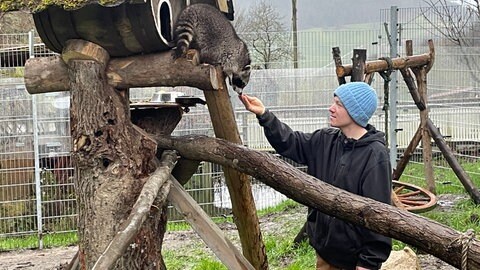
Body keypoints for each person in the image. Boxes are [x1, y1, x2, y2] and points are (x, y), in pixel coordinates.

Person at [239, 82, 392, 270]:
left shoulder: (375, 155)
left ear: (355, 112)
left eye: (339, 104)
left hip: (354, 260)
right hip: (325, 251)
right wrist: (264, 115)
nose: (331, 108)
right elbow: (290, 142)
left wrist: (369, 261)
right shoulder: (325, 140)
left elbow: (379, 213)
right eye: (333, 102)